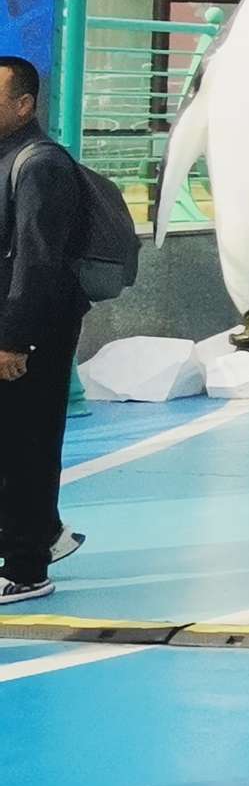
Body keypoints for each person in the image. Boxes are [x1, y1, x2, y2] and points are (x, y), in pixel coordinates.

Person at [0, 57, 90, 609]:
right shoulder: (9, 157)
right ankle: (45, 535)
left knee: (25, 449)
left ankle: (27, 569)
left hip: (31, 334)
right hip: (12, 326)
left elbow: (36, 262)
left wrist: (14, 340)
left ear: (25, 104)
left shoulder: (41, 165)